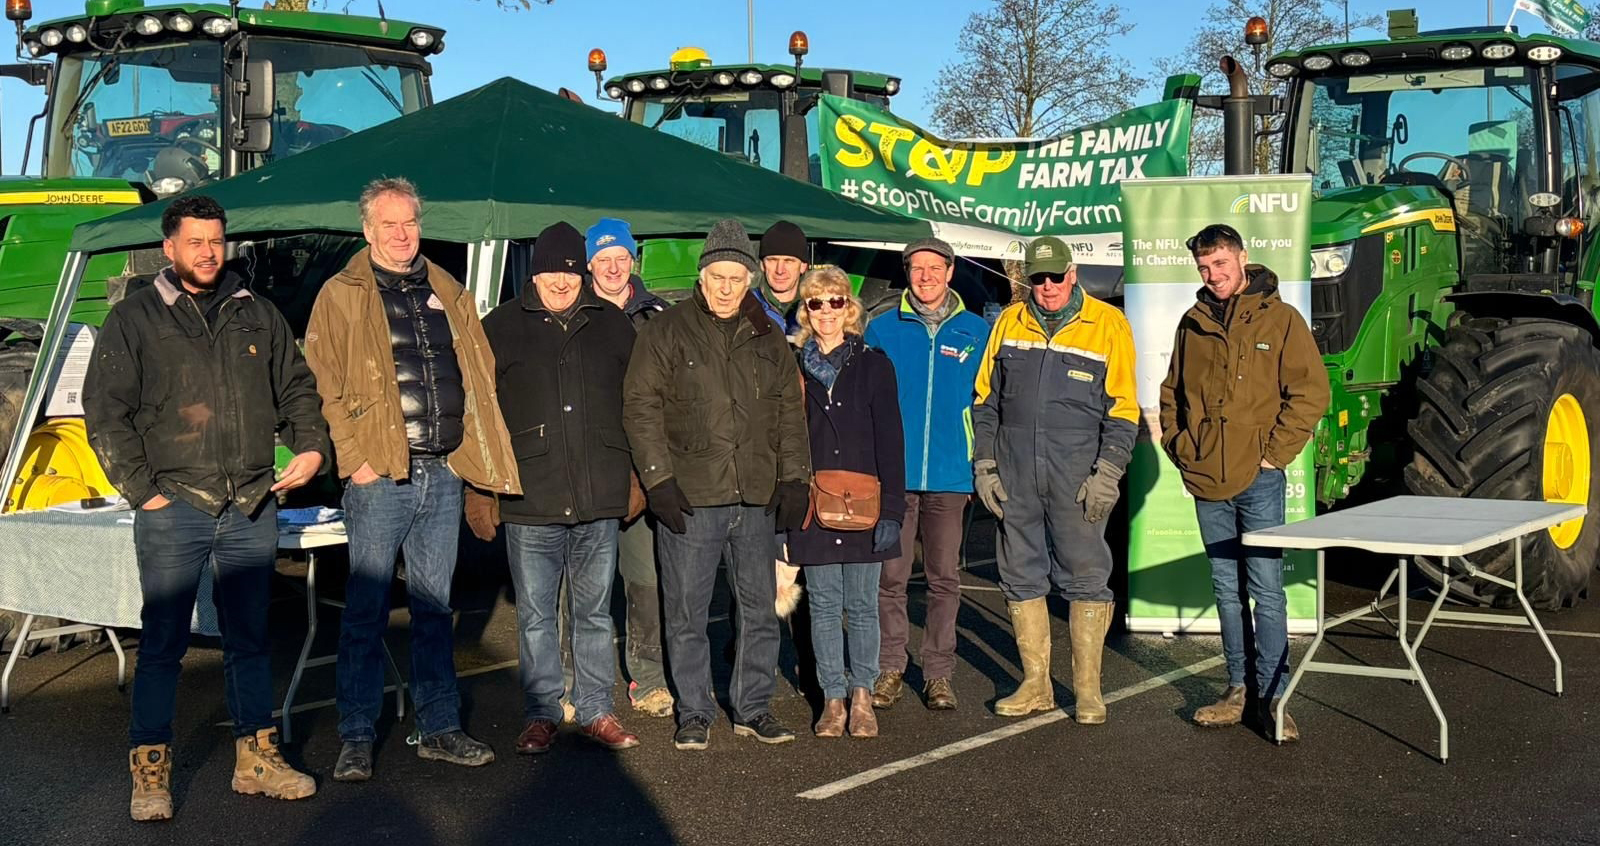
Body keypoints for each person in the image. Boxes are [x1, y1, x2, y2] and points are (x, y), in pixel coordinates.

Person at [84, 195, 329, 821]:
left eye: (216, 241)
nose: (208, 253)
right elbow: (106, 413)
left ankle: (257, 759)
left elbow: (297, 389)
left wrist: (311, 447)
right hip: (175, 506)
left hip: (249, 504)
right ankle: (150, 768)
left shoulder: (259, 315)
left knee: (250, 639)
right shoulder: (135, 317)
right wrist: (145, 491)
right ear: (169, 247)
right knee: (164, 641)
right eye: (195, 242)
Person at [305, 177, 521, 781]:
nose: (402, 236)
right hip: (380, 477)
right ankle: (354, 733)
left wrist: (472, 455)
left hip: (442, 469)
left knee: (434, 607)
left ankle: (439, 726)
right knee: (367, 610)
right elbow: (324, 384)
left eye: (410, 224)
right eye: (389, 225)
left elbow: (476, 372)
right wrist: (357, 461)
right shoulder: (340, 294)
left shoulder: (448, 288)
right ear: (367, 230)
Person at [622, 218, 812, 751]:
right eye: (717, 277)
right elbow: (640, 407)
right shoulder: (666, 330)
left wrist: (795, 476)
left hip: (754, 497)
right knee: (685, 611)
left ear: (748, 279)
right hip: (691, 496)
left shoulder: (766, 335)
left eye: (735, 277)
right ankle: (695, 711)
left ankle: (753, 706)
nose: (726, 287)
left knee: (758, 608)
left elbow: (788, 412)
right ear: (702, 277)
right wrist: (658, 480)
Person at [469, 221, 642, 754]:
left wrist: (638, 478)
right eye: (550, 271)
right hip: (530, 495)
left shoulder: (614, 325)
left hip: (599, 491)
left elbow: (639, 407)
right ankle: (542, 712)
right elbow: (481, 413)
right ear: (534, 273)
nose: (561, 281)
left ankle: (594, 709)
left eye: (569, 272)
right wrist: (480, 488)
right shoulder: (498, 326)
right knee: (537, 615)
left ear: (582, 275)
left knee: (593, 613)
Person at [1159, 223, 1329, 741]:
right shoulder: (1192, 324)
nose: (1213, 276)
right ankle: (1237, 689)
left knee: (1267, 590)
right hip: (1207, 477)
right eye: (1205, 269)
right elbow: (1172, 394)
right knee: (1226, 591)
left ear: (1242, 260)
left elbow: (1310, 393)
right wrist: (1180, 448)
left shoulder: (1281, 321)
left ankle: (1274, 697)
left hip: (1259, 479)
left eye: (1221, 265)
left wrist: (1273, 457)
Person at [971, 236, 1137, 724]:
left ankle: (1088, 691)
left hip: (1078, 474)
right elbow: (985, 403)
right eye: (1036, 278)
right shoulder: (1008, 321)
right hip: (1016, 472)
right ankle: (1036, 685)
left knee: (1086, 574)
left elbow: (1123, 411)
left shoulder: (1108, 325)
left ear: (1072, 274)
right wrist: (985, 465)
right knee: (1019, 573)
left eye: (1054, 276)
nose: (1046, 287)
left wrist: (1108, 472)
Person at [864, 237, 991, 711]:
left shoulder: (975, 331)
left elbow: (987, 404)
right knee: (890, 579)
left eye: (934, 268)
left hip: (951, 475)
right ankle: (890, 667)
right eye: (917, 269)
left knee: (944, 579)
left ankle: (938, 673)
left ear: (950, 272)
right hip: (893, 478)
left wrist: (980, 462)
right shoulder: (882, 329)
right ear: (907, 273)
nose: (925, 277)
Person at [785, 266, 906, 738]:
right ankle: (832, 698)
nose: (827, 312)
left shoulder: (875, 363)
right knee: (822, 604)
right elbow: (785, 441)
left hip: (866, 504)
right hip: (813, 506)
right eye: (816, 303)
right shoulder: (793, 368)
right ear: (806, 311)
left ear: (850, 308)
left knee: (862, 604)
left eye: (836, 302)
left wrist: (892, 510)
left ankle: (862, 696)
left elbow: (890, 440)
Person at [585, 217, 674, 718]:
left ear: (632, 260)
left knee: (645, 581)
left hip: (646, 468)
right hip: (591, 467)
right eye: (604, 258)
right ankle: (576, 684)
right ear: (590, 263)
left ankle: (650, 678)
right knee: (584, 586)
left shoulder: (658, 316)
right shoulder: (574, 310)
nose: (614, 266)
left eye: (621, 257)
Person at [753, 220, 809, 338]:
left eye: (789, 261)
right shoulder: (745, 305)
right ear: (762, 265)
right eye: (772, 260)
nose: (780, 270)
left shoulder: (818, 310)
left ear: (803, 266)